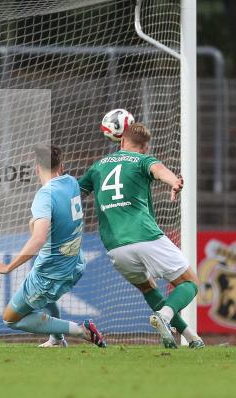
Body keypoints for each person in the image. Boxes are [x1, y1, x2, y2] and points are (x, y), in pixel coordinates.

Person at [78, 123, 204, 349]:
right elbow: (159, 170)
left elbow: (75, 192)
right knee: (190, 282)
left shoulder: (98, 166)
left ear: (122, 141)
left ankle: (191, 338)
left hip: (114, 246)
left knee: (148, 288)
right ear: (146, 147)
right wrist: (174, 181)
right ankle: (164, 316)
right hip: (144, 235)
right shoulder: (142, 160)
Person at [0, 145, 106, 348]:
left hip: (50, 274)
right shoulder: (71, 182)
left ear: (36, 169)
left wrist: (8, 267)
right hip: (75, 264)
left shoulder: (44, 196)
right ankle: (57, 340)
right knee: (47, 299)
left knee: (10, 319)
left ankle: (81, 330)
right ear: (62, 166)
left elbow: (38, 239)